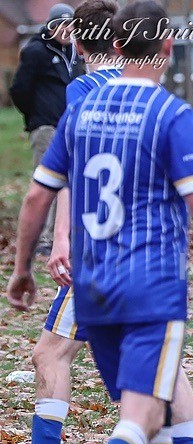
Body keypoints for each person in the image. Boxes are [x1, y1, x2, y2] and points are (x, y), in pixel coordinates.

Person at [5, 1, 193, 444]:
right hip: (150, 282)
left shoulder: (81, 107)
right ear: (168, 46)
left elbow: (38, 195)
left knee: (147, 412)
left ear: (113, 46)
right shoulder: (170, 114)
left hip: (94, 284)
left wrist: (24, 266)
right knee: (142, 414)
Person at [10, 3, 82, 255]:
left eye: (70, 25)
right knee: (48, 182)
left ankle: (61, 235)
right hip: (46, 127)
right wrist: (36, 117)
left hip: (68, 127)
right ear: (51, 26)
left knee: (69, 182)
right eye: (61, 25)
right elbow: (19, 90)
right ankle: (41, 239)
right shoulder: (36, 51)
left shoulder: (73, 53)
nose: (66, 30)